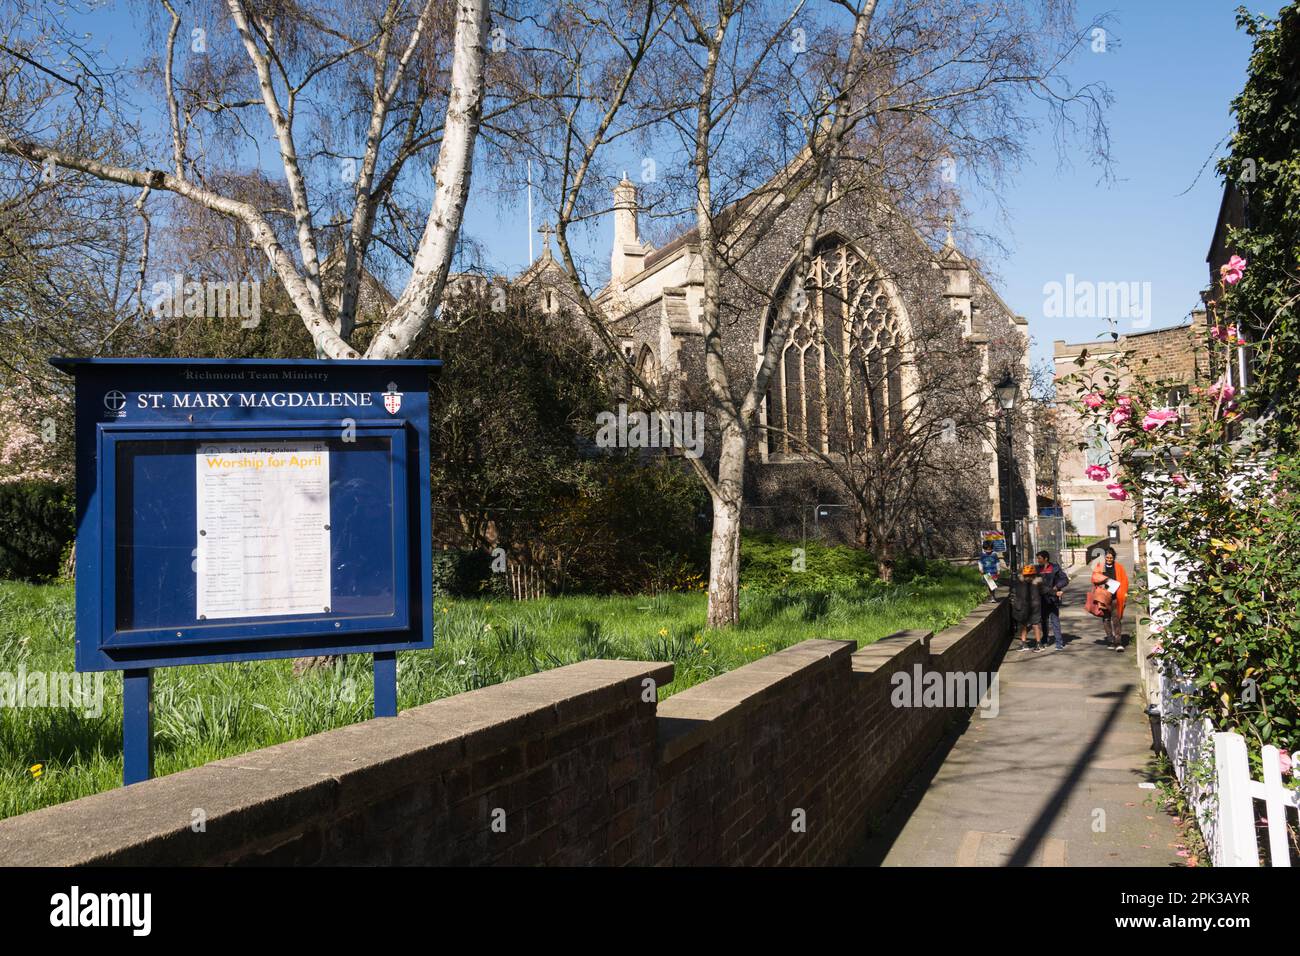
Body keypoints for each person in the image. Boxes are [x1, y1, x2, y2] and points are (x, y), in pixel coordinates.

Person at [1090, 546, 1129, 651]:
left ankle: (1118, 642)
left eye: (1111, 558)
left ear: (1114, 557)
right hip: (1103, 597)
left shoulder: (1119, 567)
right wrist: (1105, 580)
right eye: (1107, 558)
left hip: (1116, 597)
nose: (1109, 559)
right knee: (1106, 619)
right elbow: (1094, 578)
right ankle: (1110, 640)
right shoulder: (1100, 566)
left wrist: (1124, 595)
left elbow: (1125, 581)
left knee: (1116, 619)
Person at [1035, 550, 1069, 650]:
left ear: (1046, 558)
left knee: (1055, 620)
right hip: (1041, 599)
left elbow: (1065, 580)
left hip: (1053, 598)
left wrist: (1056, 586)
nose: (1038, 560)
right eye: (1037, 558)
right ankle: (1045, 639)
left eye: (1040, 558)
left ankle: (1059, 643)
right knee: (1043, 621)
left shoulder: (1055, 568)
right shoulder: (1037, 569)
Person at [1010, 563, 1044, 652]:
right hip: (1024, 608)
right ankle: (1024, 643)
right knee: (1023, 625)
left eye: (1030, 575)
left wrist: (1055, 593)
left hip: (1034, 607)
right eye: (1027, 575)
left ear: (1034, 575)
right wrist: (996, 579)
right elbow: (1008, 582)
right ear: (1023, 575)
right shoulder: (1019, 583)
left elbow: (1046, 590)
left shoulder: (1037, 583)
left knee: (1035, 624)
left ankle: (1039, 643)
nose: (1028, 577)